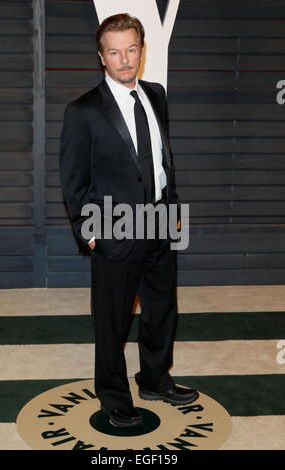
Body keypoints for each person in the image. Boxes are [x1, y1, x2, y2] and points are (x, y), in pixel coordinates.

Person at [60, 13, 198, 428]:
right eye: (115, 52)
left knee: (161, 310)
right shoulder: (83, 111)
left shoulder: (156, 95)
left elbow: (160, 160)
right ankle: (114, 395)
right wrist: (92, 235)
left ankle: (155, 379)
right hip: (115, 227)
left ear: (142, 49)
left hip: (158, 220)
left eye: (131, 49)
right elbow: (73, 181)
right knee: (112, 320)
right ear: (102, 57)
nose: (125, 59)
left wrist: (171, 208)